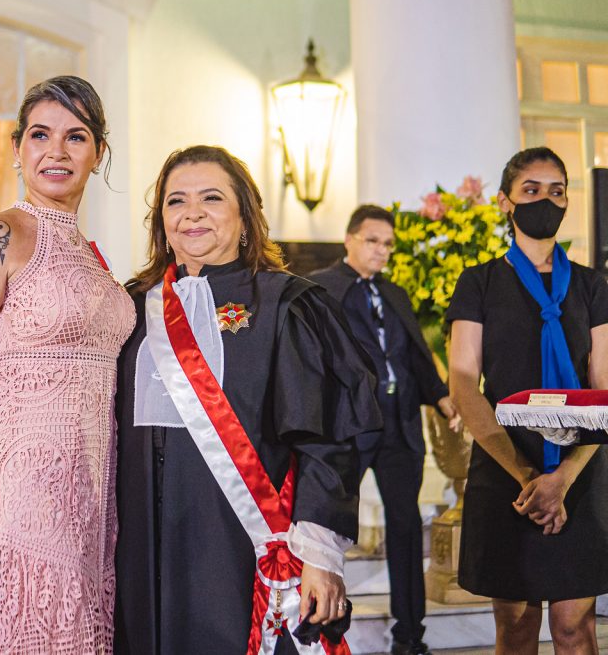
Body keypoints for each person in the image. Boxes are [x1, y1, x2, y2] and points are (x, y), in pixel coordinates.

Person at [115, 146, 380, 655]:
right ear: (161, 222)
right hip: (141, 546)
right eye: (176, 201)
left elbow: (325, 440)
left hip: (237, 543)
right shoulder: (132, 308)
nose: (192, 212)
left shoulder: (286, 304)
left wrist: (321, 555)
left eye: (211, 197)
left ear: (245, 216)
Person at [0, 75, 135, 653]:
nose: (57, 151)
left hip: (95, 491)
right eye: (41, 135)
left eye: (77, 137)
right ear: (18, 148)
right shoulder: (1, 234)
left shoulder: (89, 253)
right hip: (21, 493)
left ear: (98, 154)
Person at [447, 147, 608, 654]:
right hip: (505, 466)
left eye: (556, 190)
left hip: (581, 466)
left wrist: (563, 478)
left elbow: (605, 389)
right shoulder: (479, 282)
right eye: (531, 190)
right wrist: (528, 476)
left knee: (574, 629)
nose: (546, 200)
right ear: (505, 202)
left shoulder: (592, 286)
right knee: (515, 628)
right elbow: (462, 383)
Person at [310, 205, 461, 655]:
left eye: (388, 244)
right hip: (350, 427)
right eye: (374, 240)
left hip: (400, 429)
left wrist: (442, 397)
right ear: (350, 239)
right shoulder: (321, 287)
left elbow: (416, 355)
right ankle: (323, 627)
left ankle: (410, 637)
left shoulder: (395, 294)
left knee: (406, 525)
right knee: (330, 527)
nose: (382, 250)